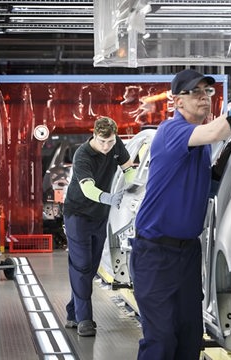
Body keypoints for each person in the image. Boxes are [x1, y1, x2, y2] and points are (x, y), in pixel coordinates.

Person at [130, 68, 231, 359]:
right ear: (177, 101)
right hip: (155, 253)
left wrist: (217, 176)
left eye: (207, 92)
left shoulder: (201, 146)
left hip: (187, 253)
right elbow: (218, 130)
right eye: (196, 93)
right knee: (161, 339)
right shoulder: (171, 131)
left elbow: (197, 189)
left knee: (191, 336)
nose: (204, 98)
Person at [62, 116, 136, 337]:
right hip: (77, 214)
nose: (106, 147)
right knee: (82, 265)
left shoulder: (116, 145)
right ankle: (85, 319)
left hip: (99, 216)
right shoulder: (82, 155)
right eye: (102, 142)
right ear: (94, 135)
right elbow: (88, 189)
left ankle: (73, 312)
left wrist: (132, 186)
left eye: (110, 142)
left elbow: (128, 167)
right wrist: (109, 198)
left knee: (91, 267)